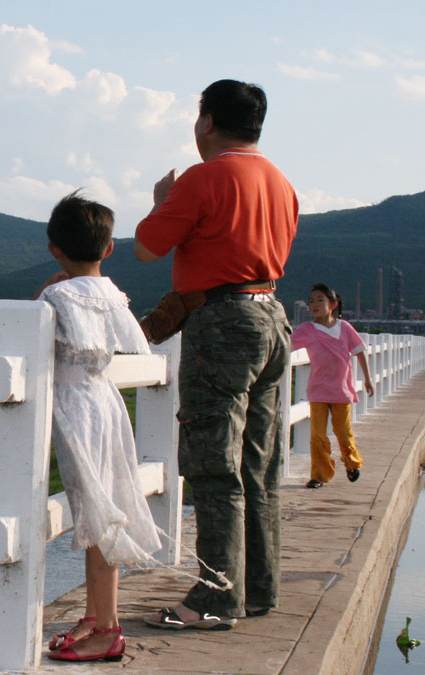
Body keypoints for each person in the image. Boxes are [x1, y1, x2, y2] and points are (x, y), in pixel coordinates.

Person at [135, 79, 298, 629]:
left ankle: (214, 598)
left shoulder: (204, 178)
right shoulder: (281, 182)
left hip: (223, 322)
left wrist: (163, 203)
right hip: (272, 316)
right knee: (259, 463)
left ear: (206, 122)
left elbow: (146, 246)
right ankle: (258, 590)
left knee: (213, 465)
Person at [34, 191, 162, 662]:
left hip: (75, 405)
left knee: (97, 512)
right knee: (101, 505)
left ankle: (108, 628)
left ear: (54, 249)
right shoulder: (112, 294)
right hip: (107, 403)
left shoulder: (56, 294)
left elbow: (31, 340)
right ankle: (95, 614)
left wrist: (42, 294)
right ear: (109, 249)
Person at [291, 283, 374, 488]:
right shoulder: (307, 330)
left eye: (320, 300)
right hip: (318, 390)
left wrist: (368, 378)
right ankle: (319, 474)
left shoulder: (344, 328)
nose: (314, 304)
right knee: (317, 435)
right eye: (311, 301)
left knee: (343, 433)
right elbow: (286, 343)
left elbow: (360, 351)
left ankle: (352, 463)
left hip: (341, 390)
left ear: (333, 305)